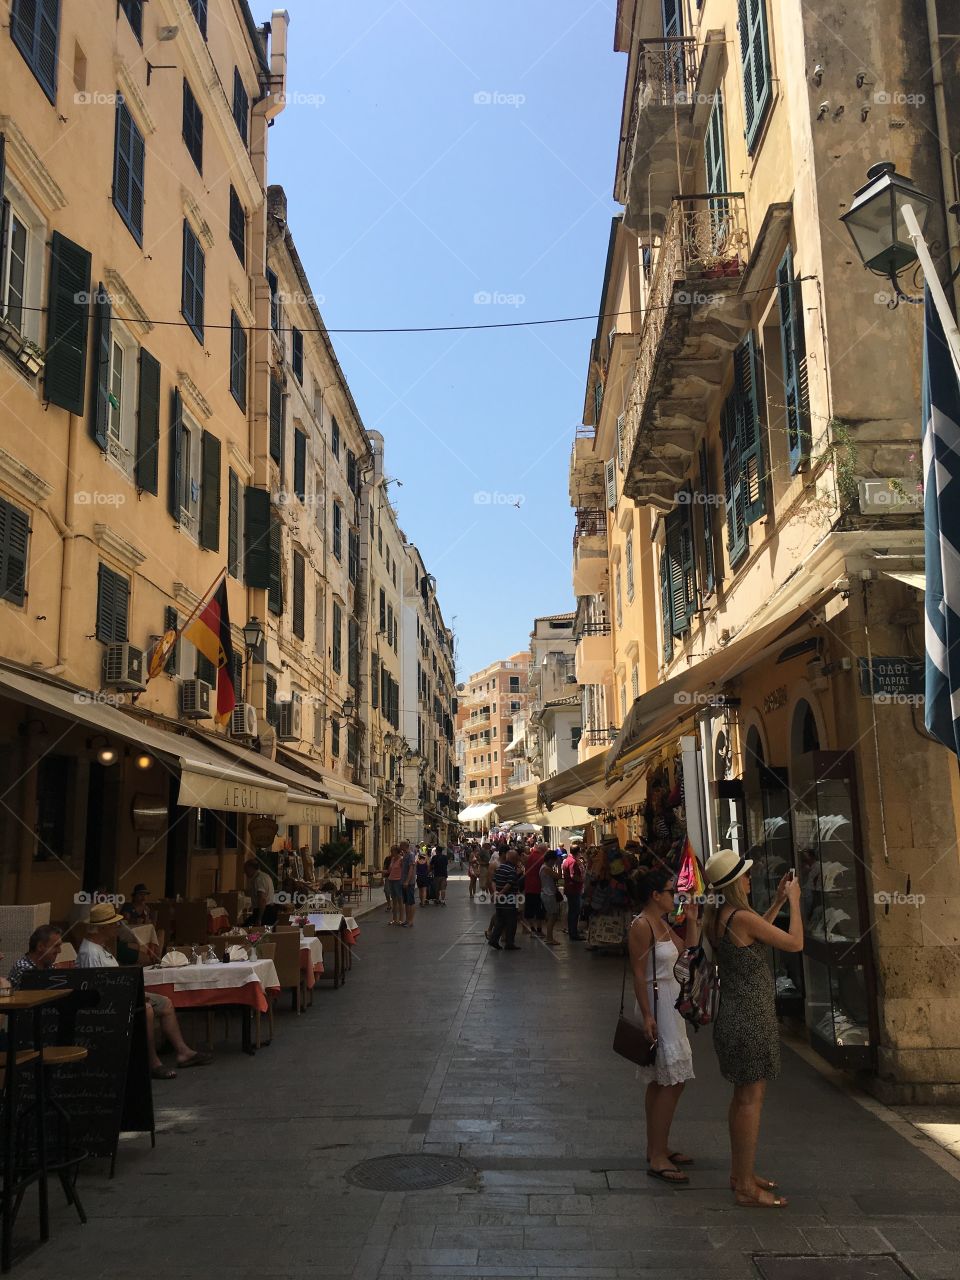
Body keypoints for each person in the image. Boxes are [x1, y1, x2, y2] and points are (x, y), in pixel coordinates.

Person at [703, 848, 802, 1208]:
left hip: (734, 1016)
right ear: (735, 884)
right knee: (750, 1101)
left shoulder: (720, 916)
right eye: (745, 875)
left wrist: (776, 903)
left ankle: (740, 1172)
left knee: (741, 1099)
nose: (749, 878)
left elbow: (755, 934)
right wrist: (795, 902)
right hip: (749, 1019)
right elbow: (794, 943)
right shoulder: (740, 916)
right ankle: (745, 1185)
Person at [78, 902, 212, 1079]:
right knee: (147, 1010)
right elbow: (96, 988)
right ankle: (152, 1062)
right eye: (114, 924)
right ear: (104, 927)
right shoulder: (90, 952)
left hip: (122, 993)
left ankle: (183, 1052)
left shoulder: (101, 947)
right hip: (110, 1002)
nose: (117, 927)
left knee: (165, 1003)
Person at [628, 867, 697, 1186]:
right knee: (669, 1080)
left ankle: (658, 1146)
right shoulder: (642, 925)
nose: (676, 896)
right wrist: (646, 1015)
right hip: (658, 1003)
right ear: (655, 895)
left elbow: (688, 954)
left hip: (672, 1001)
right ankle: (656, 1154)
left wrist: (693, 920)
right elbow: (639, 974)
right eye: (671, 892)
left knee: (666, 1078)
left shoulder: (663, 922)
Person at [488, 848, 523, 951]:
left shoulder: (500, 867)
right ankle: (509, 943)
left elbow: (493, 881)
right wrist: (502, 893)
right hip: (508, 899)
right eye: (517, 858)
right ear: (514, 859)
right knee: (511, 922)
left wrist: (496, 892)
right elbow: (509, 884)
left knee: (500, 921)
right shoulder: (512, 870)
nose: (518, 860)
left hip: (500, 900)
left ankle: (494, 940)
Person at [9, 925, 63, 989]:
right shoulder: (24, 969)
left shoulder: (49, 967)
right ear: (40, 946)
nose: (59, 951)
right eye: (56, 946)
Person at [522, 842, 547, 937]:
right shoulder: (542, 858)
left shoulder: (529, 857)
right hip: (538, 887)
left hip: (528, 887)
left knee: (529, 911)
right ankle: (539, 930)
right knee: (539, 911)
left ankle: (532, 930)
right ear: (543, 850)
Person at [539, 850, 563, 946]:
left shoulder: (545, 867)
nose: (554, 862)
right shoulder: (546, 868)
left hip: (547, 893)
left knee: (551, 916)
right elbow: (558, 876)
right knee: (553, 916)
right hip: (548, 894)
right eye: (554, 860)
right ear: (551, 860)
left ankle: (549, 937)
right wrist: (559, 865)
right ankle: (549, 938)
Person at [244, 858, 278, 926]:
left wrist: (259, 919)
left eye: (245, 869)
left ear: (251, 868)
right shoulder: (265, 876)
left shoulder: (258, 879)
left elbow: (262, 899)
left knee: (246, 930)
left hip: (264, 913)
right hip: (270, 910)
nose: (244, 872)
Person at [562, 843, 585, 941]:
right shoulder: (573, 861)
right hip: (574, 889)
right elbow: (573, 875)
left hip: (570, 889)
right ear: (578, 852)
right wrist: (582, 880)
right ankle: (573, 933)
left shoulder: (568, 860)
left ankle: (572, 931)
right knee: (575, 912)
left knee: (572, 911)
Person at [386, 844, 405, 924]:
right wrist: (379, 871)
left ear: (396, 852)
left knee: (400, 900)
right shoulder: (393, 859)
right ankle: (394, 919)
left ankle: (401, 919)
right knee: (393, 900)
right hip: (391, 880)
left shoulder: (401, 860)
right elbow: (389, 871)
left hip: (398, 881)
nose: (391, 852)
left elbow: (404, 871)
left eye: (392, 851)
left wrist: (404, 881)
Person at [400, 840, 417, 928]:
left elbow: (411, 868)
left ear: (404, 846)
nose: (399, 846)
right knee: (406, 902)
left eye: (400, 845)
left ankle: (411, 921)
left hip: (409, 882)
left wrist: (407, 881)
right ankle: (407, 920)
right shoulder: (405, 855)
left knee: (411, 902)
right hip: (404, 881)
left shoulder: (411, 855)